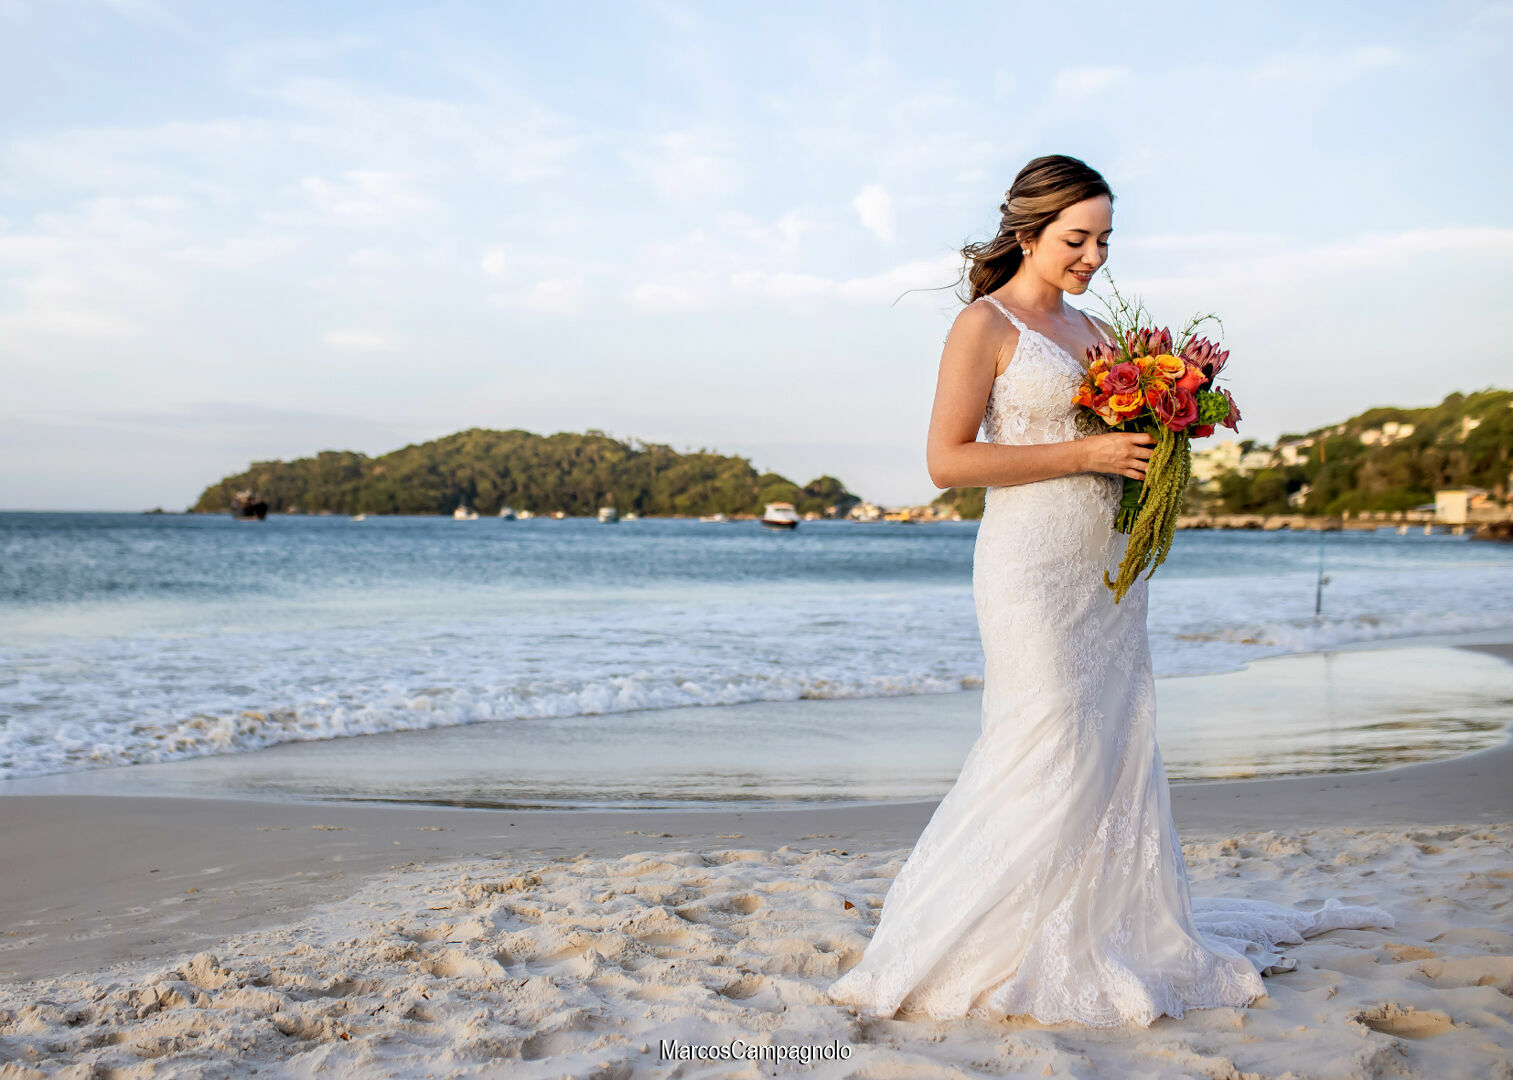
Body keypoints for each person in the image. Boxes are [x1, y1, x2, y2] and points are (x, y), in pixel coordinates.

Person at [824, 154, 1394, 1027]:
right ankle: (982, 937)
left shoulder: (1097, 333)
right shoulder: (983, 325)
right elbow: (947, 462)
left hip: (1107, 572)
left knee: (1110, 741)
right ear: (1027, 231)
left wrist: (1163, 447)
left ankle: (1095, 925)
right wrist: (1085, 453)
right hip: (1028, 567)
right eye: (1075, 238)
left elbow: (1126, 447)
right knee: (1042, 736)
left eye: (1103, 239)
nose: (1092, 256)